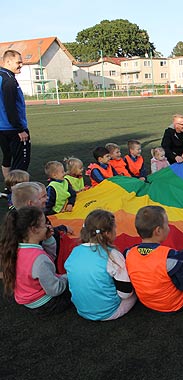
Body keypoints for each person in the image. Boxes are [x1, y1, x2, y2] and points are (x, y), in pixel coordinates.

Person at [125, 205, 183, 313]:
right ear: (158, 231)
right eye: (167, 224)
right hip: (174, 303)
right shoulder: (169, 257)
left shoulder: (129, 253)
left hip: (146, 302)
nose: (169, 227)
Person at [65, 210, 136, 321]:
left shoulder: (75, 251)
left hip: (81, 309)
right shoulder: (112, 255)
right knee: (134, 291)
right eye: (115, 228)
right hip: (109, 311)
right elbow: (125, 293)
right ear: (108, 233)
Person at [0, 206, 70, 316]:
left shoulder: (16, 248)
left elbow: (49, 259)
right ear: (34, 229)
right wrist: (67, 277)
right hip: (45, 304)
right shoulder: (39, 259)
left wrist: (48, 240)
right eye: (44, 224)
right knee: (77, 284)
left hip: (27, 298)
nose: (48, 226)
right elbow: (55, 290)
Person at [0, 50, 31, 178]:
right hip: (13, 129)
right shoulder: (9, 80)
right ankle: (17, 192)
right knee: (21, 162)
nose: (21, 65)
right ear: (8, 61)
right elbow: (10, 106)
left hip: (2, 128)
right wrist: (20, 129)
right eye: (18, 62)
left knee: (7, 157)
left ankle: (9, 188)